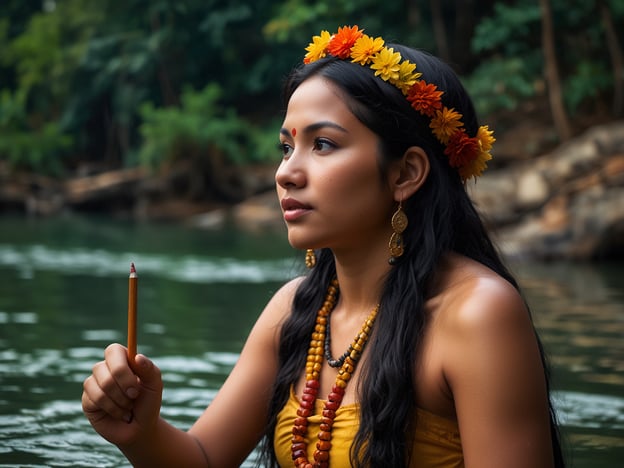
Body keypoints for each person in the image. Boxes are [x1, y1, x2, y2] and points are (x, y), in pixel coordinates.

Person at [82, 25, 566, 467]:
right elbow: (205, 458)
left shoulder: (477, 315)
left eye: (324, 144)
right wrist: (138, 431)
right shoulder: (294, 311)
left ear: (405, 173)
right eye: (287, 146)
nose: (285, 173)